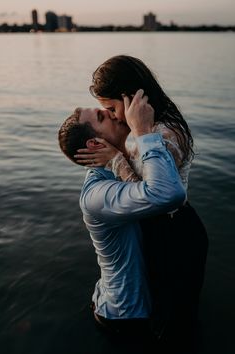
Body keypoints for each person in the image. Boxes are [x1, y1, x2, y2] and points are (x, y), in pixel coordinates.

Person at [76, 55, 209, 353]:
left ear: (132, 95)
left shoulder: (162, 133)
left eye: (112, 109)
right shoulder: (142, 131)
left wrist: (116, 159)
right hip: (160, 231)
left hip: (175, 233)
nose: (115, 118)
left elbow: (157, 195)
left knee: (176, 323)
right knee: (166, 315)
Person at [58, 90, 186, 352]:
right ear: (95, 144)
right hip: (125, 317)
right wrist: (143, 130)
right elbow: (168, 193)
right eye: (104, 116)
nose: (116, 114)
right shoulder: (96, 195)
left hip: (135, 304)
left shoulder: (121, 164)